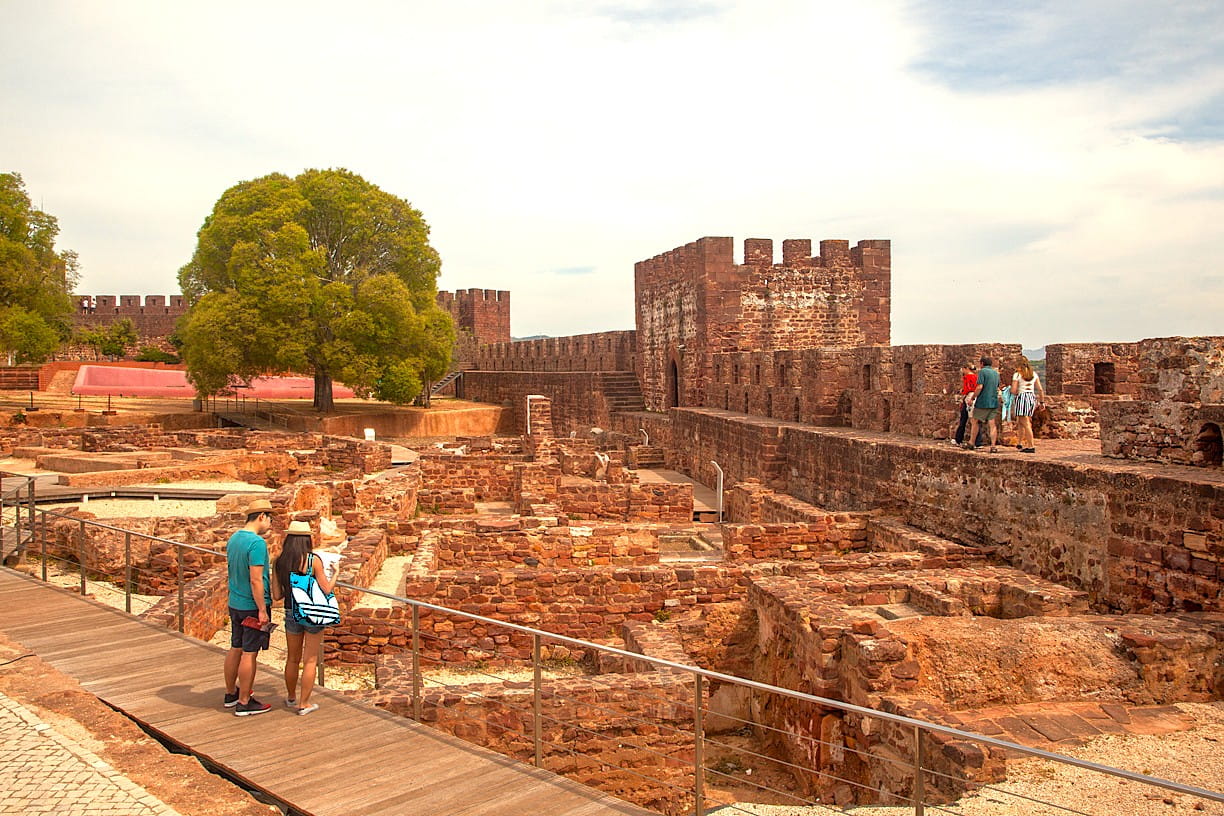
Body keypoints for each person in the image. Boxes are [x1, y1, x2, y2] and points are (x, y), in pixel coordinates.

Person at [272, 520, 336, 715]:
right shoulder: (312, 560)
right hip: (311, 614)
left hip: (291, 611)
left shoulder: (279, 561)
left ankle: (291, 697)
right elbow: (326, 589)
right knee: (310, 660)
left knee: (292, 659)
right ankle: (304, 703)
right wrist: (336, 574)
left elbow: (277, 594)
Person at [223, 498, 274, 716]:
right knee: (249, 653)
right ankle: (244, 702)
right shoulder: (256, 543)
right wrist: (262, 609)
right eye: (270, 519)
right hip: (251, 605)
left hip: (235, 602)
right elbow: (256, 579)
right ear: (262, 516)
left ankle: (231, 693)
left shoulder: (234, 538)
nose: (270, 524)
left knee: (236, 646)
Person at [964, 355, 1000, 452]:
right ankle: (993, 446)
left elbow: (979, 386)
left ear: (982, 363)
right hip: (993, 401)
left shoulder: (982, 372)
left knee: (975, 421)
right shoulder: (996, 373)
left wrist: (973, 398)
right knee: (992, 424)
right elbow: (997, 386)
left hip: (983, 401)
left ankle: (971, 442)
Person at [1011, 356, 1045, 453]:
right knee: (1022, 421)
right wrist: (1042, 402)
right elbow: (1040, 389)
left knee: (1025, 422)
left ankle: (1031, 446)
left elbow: (1013, 390)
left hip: (1022, 398)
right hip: (1031, 397)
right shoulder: (1034, 374)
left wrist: (1011, 391)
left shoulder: (1017, 375)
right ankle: (1020, 442)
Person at [953, 363, 977, 445]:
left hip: (969, 397)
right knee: (974, 420)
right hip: (974, 397)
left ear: (966, 368)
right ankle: (977, 440)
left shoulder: (967, 377)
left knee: (964, 419)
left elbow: (968, 388)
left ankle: (959, 439)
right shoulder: (975, 377)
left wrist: (963, 392)